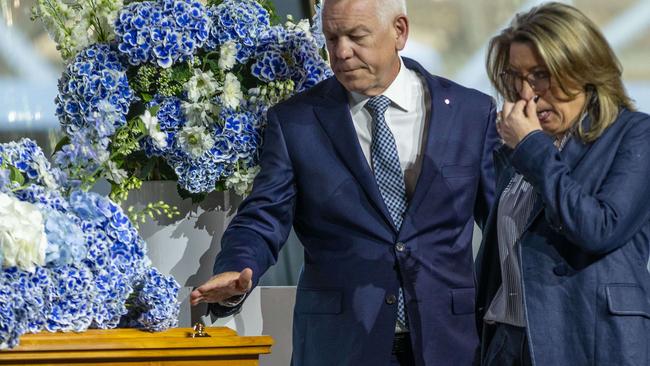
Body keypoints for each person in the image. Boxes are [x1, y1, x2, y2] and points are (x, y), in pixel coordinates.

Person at [191, 0, 499, 364]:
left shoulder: (470, 113)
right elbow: (264, 216)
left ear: (399, 31)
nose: (341, 52)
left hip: (450, 345)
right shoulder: (296, 122)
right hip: (339, 347)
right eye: (332, 37)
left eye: (356, 36)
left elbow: (502, 223)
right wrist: (237, 266)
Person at [474, 2, 650, 366]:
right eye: (515, 77)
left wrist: (530, 148)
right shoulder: (518, 146)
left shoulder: (635, 134)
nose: (527, 93)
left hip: (588, 341)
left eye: (540, 75)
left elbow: (598, 228)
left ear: (582, 68)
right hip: (508, 342)